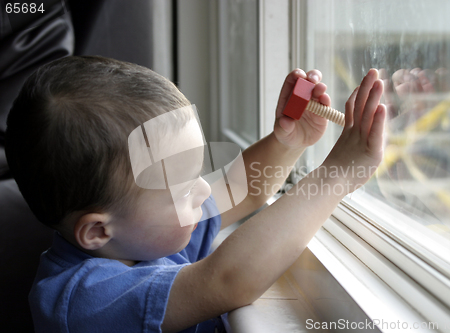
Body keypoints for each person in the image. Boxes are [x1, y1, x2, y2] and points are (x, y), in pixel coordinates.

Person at [5, 56, 385, 332]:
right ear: (98, 231)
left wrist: (289, 141)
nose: (204, 188)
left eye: (198, 173)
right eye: (185, 186)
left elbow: (243, 190)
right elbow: (227, 281)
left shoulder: (141, 235)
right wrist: (336, 175)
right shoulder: (80, 299)